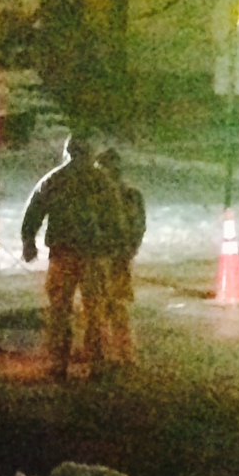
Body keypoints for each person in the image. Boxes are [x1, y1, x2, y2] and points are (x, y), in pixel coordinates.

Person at [20, 134, 126, 380]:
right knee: (95, 311)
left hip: (62, 255)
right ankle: (96, 364)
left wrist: (29, 242)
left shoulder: (54, 179)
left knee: (59, 310)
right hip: (94, 256)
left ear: (68, 151)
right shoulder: (102, 180)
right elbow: (115, 218)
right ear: (90, 152)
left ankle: (59, 363)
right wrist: (116, 250)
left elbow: (34, 210)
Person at [97, 148, 147, 365]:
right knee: (117, 306)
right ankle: (124, 352)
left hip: (101, 257)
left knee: (100, 306)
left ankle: (105, 351)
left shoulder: (97, 197)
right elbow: (139, 227)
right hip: (120, 257)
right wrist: (130, 250)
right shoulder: (133, 195)